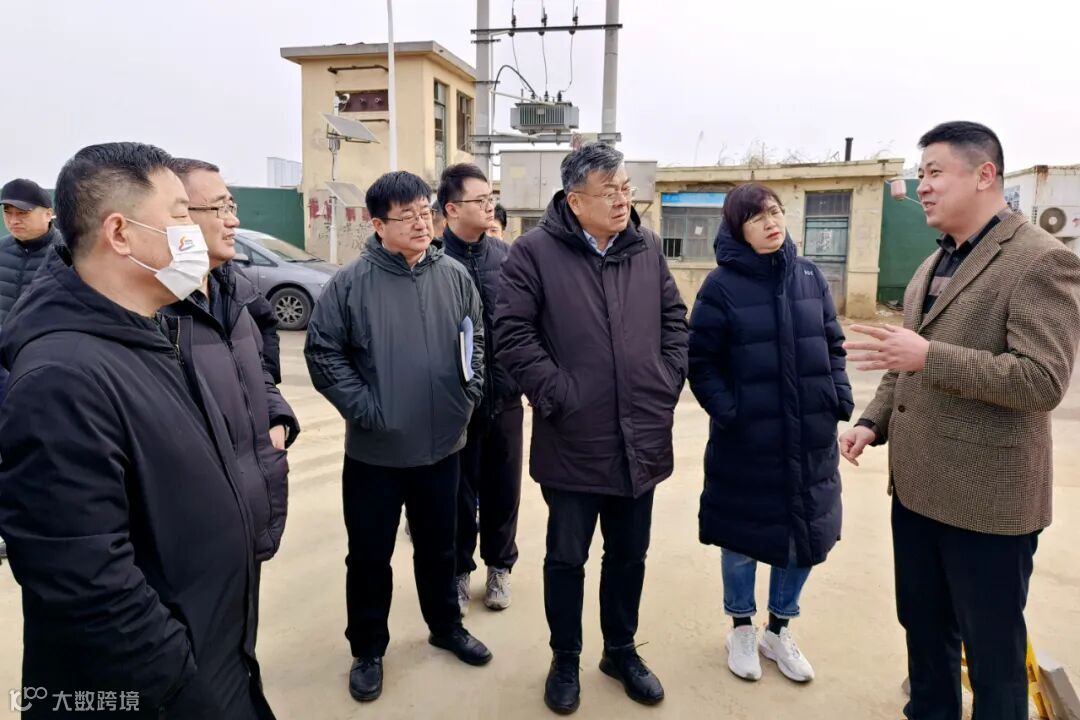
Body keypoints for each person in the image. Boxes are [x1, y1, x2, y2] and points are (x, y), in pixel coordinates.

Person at [0, 142, 273, 718]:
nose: (195, 233)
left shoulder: (146, 336)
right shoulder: (62, 379)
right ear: (120, 234)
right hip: (165, 692)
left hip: (217, 657)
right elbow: (90, 590)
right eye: (180, 215)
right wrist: (187, 690)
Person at [839, 121, 1080, 720]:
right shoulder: (934, 262)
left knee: (993, 656)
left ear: (984, 175)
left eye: (935, 172)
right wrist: (873, 422)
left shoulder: (1039, 261)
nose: (922, 186)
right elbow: (904, 361)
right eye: (920, 174)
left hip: (988, 505)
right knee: (924, 631)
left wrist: (931, 357)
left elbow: (1042, 381)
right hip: (917, 492)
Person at [495, 143, 688, 714]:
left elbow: (675, 321)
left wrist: (664, 380)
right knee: (566, 558)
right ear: (575, 201)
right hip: (574, 438)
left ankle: (620, 651)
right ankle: (565, 658)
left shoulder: (646, 248)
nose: (624, 200)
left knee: (629, 555)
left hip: (641, 437)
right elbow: (512, 335)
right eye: (610, 192)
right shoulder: (533, 253)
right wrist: (559, 393)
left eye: (626, 188)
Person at [304, 170, 492, 704]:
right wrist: (369, 411)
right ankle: (367, 649)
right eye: (405, 215)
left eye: (424, 212)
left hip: (443, 447)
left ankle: (445, 626)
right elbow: (323, 355)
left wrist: (467, 397)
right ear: (377, 224)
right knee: (369, 555)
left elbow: (475, 340)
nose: (420, 223)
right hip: (375, 453)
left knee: (440, 548)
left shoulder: (454, 275)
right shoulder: (350, 284)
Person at [688, 182, 852, 684]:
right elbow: (702, 363)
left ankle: (778, 629)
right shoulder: (720, 286)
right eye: (757, 216)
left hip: (809, 438)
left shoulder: (810, 276)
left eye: (776, 211)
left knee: (804, 536)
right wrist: (731, 413)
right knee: (741, 538)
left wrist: (838, 397)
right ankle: (741, 626)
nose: (771, 222)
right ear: (738, 228)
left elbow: (833, 343)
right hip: (747, 441)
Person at [160, 158, 299, 641]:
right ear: (176, 216)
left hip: (246, 504)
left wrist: (275, 414)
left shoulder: (233, 287)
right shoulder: (150, 306)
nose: (233, 220)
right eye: (219, 208)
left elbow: (258, 356)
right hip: (191, 527)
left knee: (239, 642)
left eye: (232, 205)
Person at [437, 163, 523, 614]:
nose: (490, 207)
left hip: (505, 396)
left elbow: (526, 324)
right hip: (455, 404)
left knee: (503, 489)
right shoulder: (433, 263)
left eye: (492, 198)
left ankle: (499, 567)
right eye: (480, 200)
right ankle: (458, 571)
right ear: (451, 209)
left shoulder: (507, 259)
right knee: (457, 493)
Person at [0, 178, 62, 561]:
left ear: (49, 213)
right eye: (8, 212)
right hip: (2, 371)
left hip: (42, 372)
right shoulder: (1, 253)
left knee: (38, 454)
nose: (14, 220)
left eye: (22, 212)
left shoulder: (67, 256)